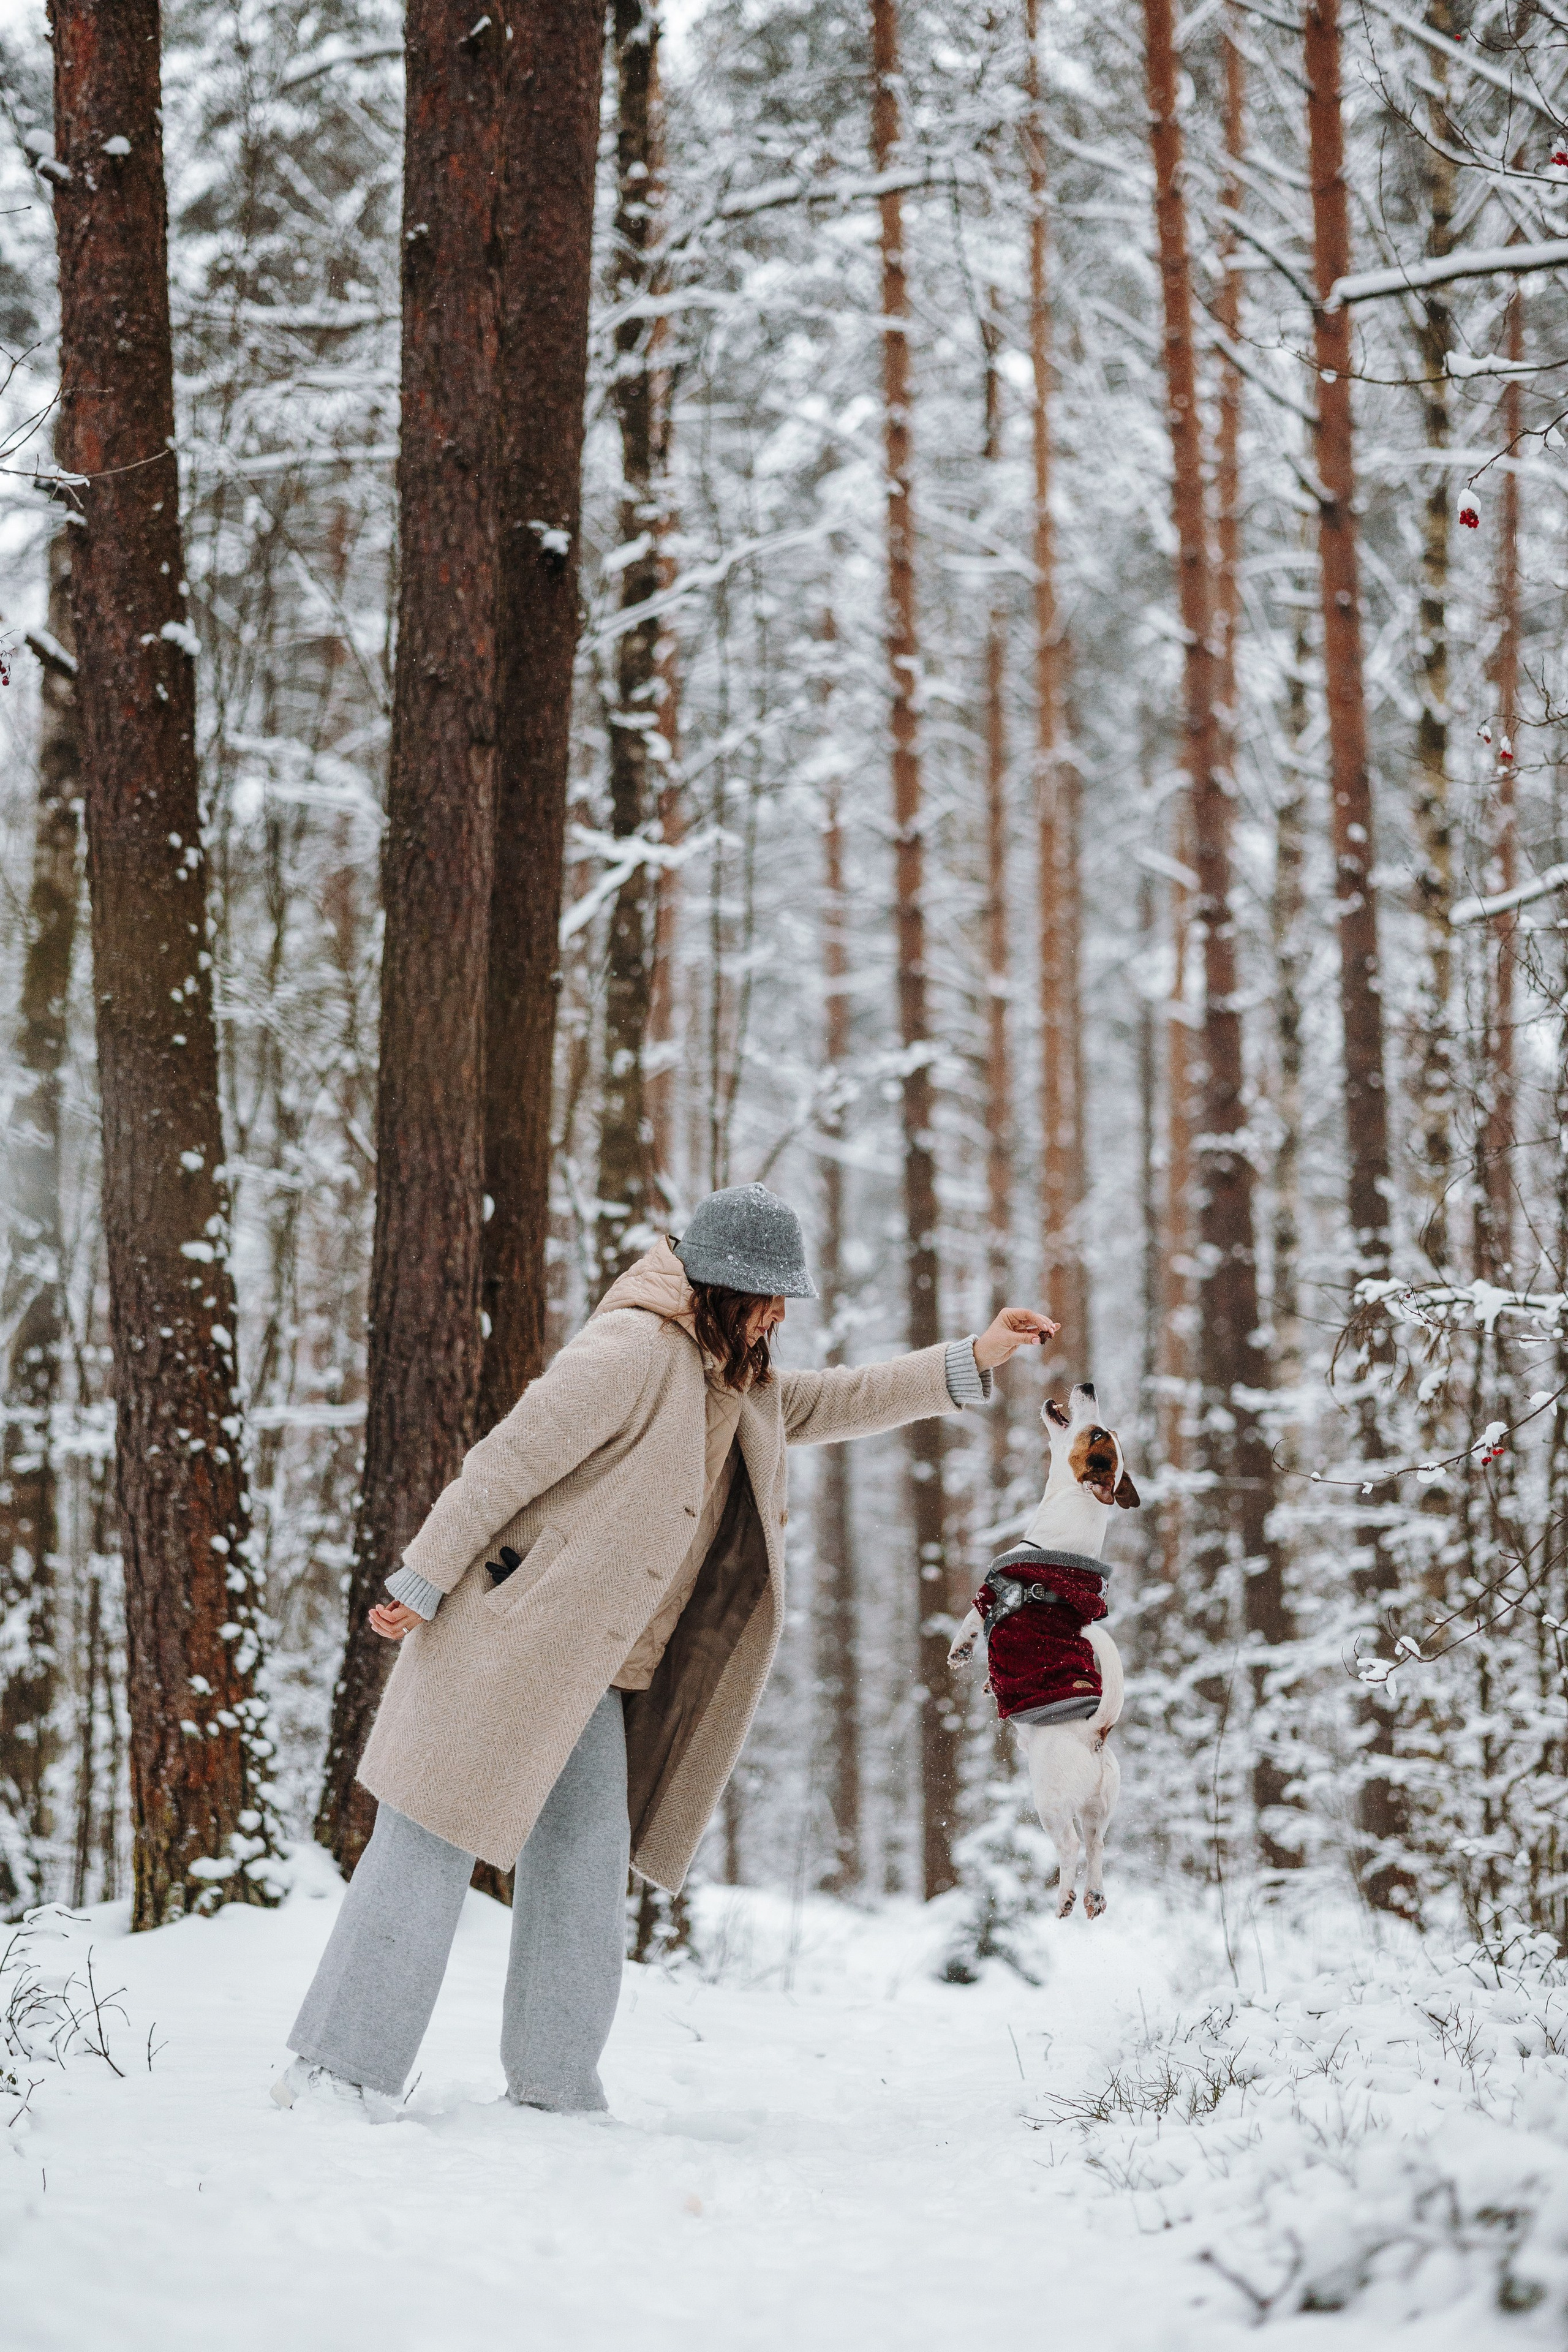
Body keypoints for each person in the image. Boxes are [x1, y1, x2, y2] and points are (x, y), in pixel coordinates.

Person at [273, 1183, 1055, 2120]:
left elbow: (834, 1399)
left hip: (597, 1675)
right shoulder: (633, 1352)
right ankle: (334, 2072)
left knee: (583, 1872)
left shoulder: (739, 1383)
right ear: (725, 1287)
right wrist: (420, 1578)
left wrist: (976, 1357)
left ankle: (556, 2090)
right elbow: (504, 1462)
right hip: (508, 1643)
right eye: (769, 1299)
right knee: (428, 1847)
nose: (778, 1318)